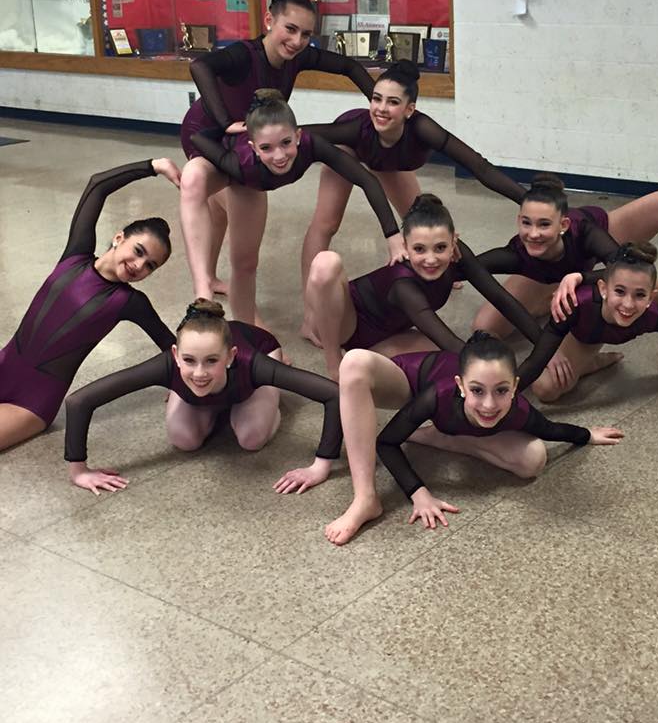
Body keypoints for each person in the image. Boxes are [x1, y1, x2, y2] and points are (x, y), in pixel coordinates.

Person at [324, 332, 622, 545]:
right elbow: (387, 442)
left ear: (515, 386)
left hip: (450, 413)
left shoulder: (518, 409)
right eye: (477, 390)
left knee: (533, 462)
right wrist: (419, 493)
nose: (490, 405)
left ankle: (439, 435)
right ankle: (365, 499)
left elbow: (550, 429)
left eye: (501, 390)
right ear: (461, 385)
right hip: (411, 382)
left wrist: (588, 435)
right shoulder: (437, 396)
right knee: (354, 361)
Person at [298, 60, 527, 334]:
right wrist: (260, 132)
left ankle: (447, 263)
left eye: (393, 102)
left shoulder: (422, 129)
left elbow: (479, 166)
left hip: (389, 158)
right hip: (350, 147)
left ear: (410, 110)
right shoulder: (356, 128)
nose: (381, 108)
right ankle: (311, 314)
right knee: (327, 223)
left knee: (424, 220)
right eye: (376, 99)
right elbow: (302, 133)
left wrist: (528, 201)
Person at [179, 0, 376, 302]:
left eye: (306, 34)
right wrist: (224, 121)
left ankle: (213, 278)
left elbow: (350, 66)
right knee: (235, 193)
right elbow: (199, 66)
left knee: (219, 209)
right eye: (290, 29)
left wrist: (378, 104)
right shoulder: (245, 55)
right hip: (207, 132)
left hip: (249, 138)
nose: (297, 41)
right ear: (270, 20)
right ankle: (208, 287)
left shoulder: (297, 57)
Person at [64, 299, 343, 495]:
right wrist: (79, 471)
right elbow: (79, 401)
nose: (199, 372)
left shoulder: (253, 363)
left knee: (251, 438)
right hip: (212, 381)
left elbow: (334, 394)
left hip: (256, 360)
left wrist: (320, 466)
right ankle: (208, 402)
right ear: (175, 355)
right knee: (184, 440)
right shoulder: (167, 365)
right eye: (189, 360)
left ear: (230, 356)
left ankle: (270, 400)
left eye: (211, 360)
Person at [0, 158, 181, 452]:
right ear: (119, 238)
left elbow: (170, 345)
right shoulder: (75, 256)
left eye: (150, 265)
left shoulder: (129, 302)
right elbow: (98, 185)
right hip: (4, 365)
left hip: (33, 402)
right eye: (138, 251)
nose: (139, 265)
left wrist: (178, 382)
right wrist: (154, 166)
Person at [190, 89, 406, 324]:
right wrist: (224, 127)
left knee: (220, 217)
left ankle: (214, 279)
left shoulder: (311, 144)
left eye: (286, 143)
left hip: (242, 156)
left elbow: (366, 179)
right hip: (238, 175)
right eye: (267, 148)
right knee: (244, 262)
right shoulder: (241, 164)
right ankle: (245, 327)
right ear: (254, 147)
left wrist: (392, 235)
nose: (279, 156)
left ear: (299, 136)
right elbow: (196, 138)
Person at [303, 193, 540, 380]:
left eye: (440, 247)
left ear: (454, 241)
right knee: (326, 263)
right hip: (344, 323)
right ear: (405, 246)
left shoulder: (458, 255)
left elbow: (499, 297)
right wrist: (498, 372)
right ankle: (334, 362)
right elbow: (446, 338)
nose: (431, 259)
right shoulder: (404, 285)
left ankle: (358, 357)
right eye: (419, 249)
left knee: (450, 364)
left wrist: (543, 345)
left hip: (386, 334)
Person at [472, 172, 658, 338]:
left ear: (564, 224)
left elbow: (617, 262)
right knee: (484, 326)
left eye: (543, 224)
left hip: (597, 243)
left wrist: (581, 277)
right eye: (527, 223)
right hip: (545, 268)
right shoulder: (521, 251)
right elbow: (470, 265)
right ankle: (547, 298)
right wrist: (449, 261)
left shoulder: (586, 230)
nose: (533, 233)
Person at [514, 242, 658, 401]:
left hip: (613, 317)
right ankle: (589, 363)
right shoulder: (578, 304)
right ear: (603, 289)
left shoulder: (653, 314)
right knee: (545, 388)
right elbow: (537, 357)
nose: (628, 304)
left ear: (651, 298)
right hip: (583, 336)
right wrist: (507, 394)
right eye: (620, 291)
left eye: (640, 295)